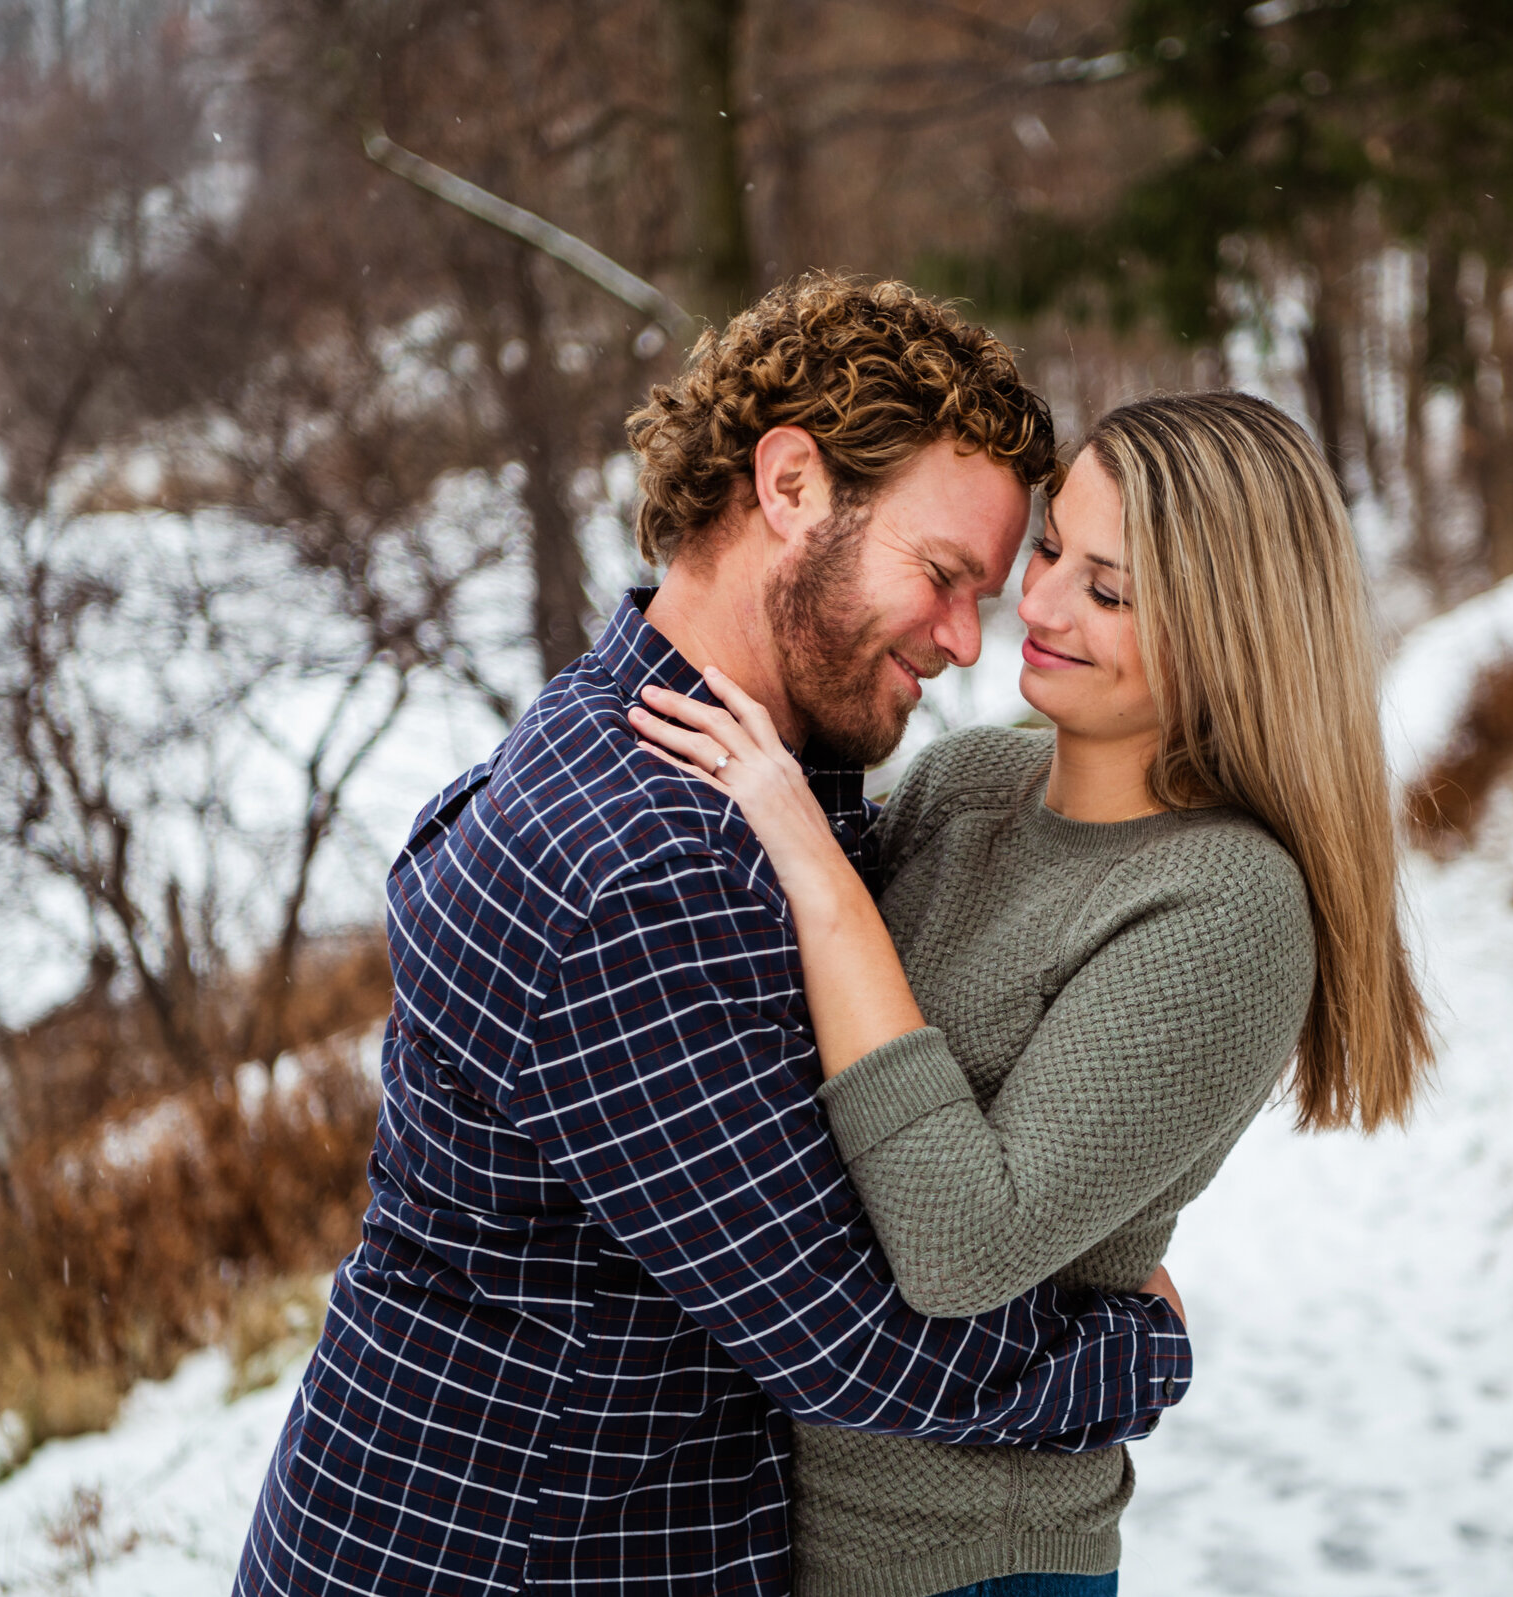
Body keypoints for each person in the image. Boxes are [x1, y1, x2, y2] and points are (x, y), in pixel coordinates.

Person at [233, 277, 1194, 1597]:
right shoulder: (641, 866)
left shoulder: (742, 772)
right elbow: (845, 1332)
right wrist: (1132, 1349)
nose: (968, 640)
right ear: (790, 485)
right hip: (506, 1558)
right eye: (940, 574)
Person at [631, 389, 1436, 1597]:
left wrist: (818, 871)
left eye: (1110, 591)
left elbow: (962, 1244)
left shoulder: (1226, 903)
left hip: (966, 1561)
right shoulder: (965, 785)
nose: (1040, 603)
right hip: (763, 1526)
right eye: (1054, 546)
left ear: (1231, 635)